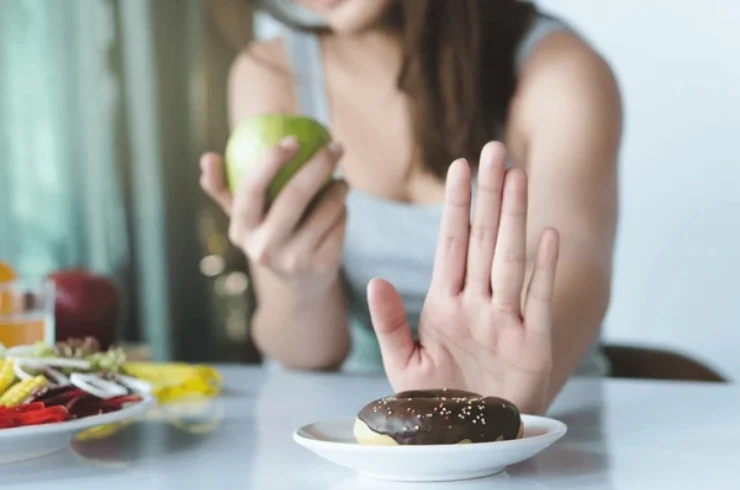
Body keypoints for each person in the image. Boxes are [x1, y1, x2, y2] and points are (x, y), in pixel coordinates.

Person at [200, 0, 621, 415]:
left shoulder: (559, 70)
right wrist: (298, 285)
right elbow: (312, 357)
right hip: (369, 428)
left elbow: (576, 261)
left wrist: (500, 392)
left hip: (550, 417)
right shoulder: (271, 74)